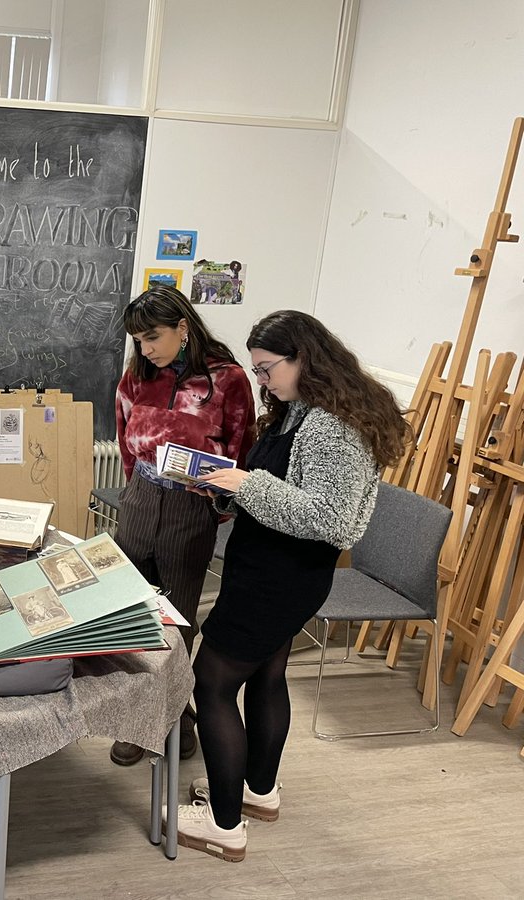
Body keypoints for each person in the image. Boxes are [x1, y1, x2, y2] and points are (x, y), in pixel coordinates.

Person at [172, 310, 410, 862]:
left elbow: (333, 521)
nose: (262, 381)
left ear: (304, 357)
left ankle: (224, 825)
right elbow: (285, 492)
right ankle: (257, 792)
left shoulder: (331, 426)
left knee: (210, 683)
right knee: (267, 674)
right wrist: (232, 491)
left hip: (278, 578)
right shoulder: (300, 410)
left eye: (266, 369)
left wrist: (246, 482)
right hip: (272, 568)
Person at [109, 285, 256, 767]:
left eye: (153, 337)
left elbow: (242, 450)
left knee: (176, 619)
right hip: (140, 501)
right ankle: (136, 718)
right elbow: (125, 441)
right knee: (132, 614)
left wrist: (213, 508)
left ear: (183, 328)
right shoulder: (136, 376)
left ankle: (175, 719)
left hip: (191, 510)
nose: (146, 349)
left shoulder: (228, 379)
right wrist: (139, 493)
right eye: (138, 340)